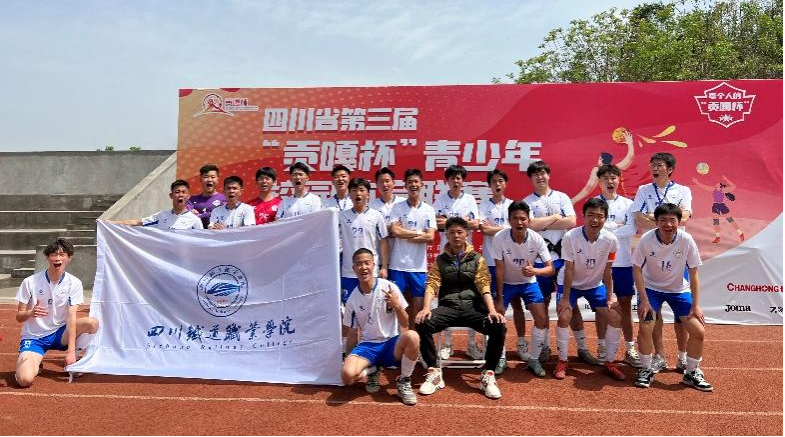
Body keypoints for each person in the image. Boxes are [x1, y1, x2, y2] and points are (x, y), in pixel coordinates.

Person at [415, 217, 506, 400]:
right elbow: (432, 284)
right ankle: (434, 372)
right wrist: (426, 308)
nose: (456, 236)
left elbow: (484, 285)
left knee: (498, 326)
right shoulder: (440, 260)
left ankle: (488, 375)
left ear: (467, 234)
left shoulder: (477, 259)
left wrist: (492, 311)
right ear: (446, 235)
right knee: (422, 322)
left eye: (459, 232)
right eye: (451, 232)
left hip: (472, 308)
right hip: (448, 308)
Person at [632, 203, 713, 392]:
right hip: (651, 290)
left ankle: (691, 373)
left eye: (672, 220)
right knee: (646, 326)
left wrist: (696, 305)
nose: (668, 224)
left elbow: (694, 272)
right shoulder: (646, 240)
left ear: (678, 222)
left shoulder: (686, 239)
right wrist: (644, 300)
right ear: (656, 222)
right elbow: (636, 269)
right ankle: (645, 369)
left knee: (698, 331)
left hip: (678, 291)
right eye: (663, 220)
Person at [523, 160, 589, 364]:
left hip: (563, 259)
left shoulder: (562, 197)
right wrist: (555, 217)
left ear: (548, 175)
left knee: (570, 304)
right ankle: (544, 346)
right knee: (541, 305)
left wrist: (543, 223)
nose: (540, 177)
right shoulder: (527, 202)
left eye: (542, 173)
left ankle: (583, 348)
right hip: (540, 260)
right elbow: (531, 225)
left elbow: (571, 221)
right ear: (531, 178)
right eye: (535, 174)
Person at [631, 152, 692, 374]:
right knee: (653, 315)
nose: (654, 169)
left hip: (676, 255)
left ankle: (683, 357)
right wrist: (662, 221)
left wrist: (653, 218)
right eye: (652, 165)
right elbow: (638, 218)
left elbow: (684, 218)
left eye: (659, 165)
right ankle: (659, 356)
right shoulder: (643, 190)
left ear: (670, 169)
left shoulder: (683, 191)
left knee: (682, 317)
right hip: (652, 253)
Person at [554, 198, 626, 381]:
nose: (595, 220)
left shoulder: (611, 240)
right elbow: (569, 269)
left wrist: (610, 296)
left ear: (605, 218)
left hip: (594, 285)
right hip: (570, 284)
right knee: (564, 316)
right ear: (583, 216)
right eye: (590, 215)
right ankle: (562, 360)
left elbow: (608, 271)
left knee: (615, 317)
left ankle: (609, 362)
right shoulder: (570, 237)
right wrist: (565, 298)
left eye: (599, 216)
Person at [14, 238, 99, 387]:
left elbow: (72, 317)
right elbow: (19, 317)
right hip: (35, 337)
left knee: (91, 323)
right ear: (47, 257)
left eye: (62, 254)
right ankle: (34, 362)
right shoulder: (30, 282)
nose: (57, 258)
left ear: (69, 258)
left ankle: (77, 357)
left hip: (60, 334)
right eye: (53, 254)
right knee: (24, 380)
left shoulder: (74, 283)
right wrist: (30, 313)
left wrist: (70, 352)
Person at [342, 249, 420, 406]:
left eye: (367, 263)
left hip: (390, 344)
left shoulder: (389, 287)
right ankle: (372, 369)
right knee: (347, 376)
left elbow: (405, 323)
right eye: (359, 264)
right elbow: (352, 334)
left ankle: (404, 381)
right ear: (354, 268)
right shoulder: (352, 299)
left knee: (412, 336)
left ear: (373, 265)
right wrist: (349, 359)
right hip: (367, 346)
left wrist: (397, 306)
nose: (363, 267)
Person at [490, 201, 552, 378]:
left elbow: (550, 269)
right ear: (509, 220)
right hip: (506, 283)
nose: (519, 222)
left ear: (529, 220)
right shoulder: (499, 238)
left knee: (541, 317)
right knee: (498, 317)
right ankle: (500, 357)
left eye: (523, 219)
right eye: (515, 218)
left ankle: (534, 359)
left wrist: (535, 271)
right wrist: (499, 298)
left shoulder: (536, 238)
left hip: (528, 282)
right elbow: (499, 269)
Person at [433, 164, 481, 360]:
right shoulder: (440, 199)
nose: (456, 181)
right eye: (452, 178)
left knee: (471, 297)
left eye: (459, 178)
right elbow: (436, 224)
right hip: (446, 255)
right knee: (446, 296)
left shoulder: (469, 199)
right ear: (447, 181)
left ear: (463, 181)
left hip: (467, 255)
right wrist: (462, 221)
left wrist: (450, 221)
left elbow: (475, 224)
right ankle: (447, 344)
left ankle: (471, 343)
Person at [595, 165, 641, 367]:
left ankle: (630, 348)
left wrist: (607, 228)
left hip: (623, 263)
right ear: (599, 182)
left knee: (625, 305)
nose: (610, 181)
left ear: (619, 180)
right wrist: (617, 226)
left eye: (613, 177)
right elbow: (593, 228)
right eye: (605, 178)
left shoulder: (628, 204)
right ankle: (601, 346)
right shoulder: (594, 203)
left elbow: (631, 229)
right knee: (601, 306)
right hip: (599, 262)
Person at [389, 169, 436, 329]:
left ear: (422, 184)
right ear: (405, 185)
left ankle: (416, 340)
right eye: (410, 182)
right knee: (395, 307)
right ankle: (396, 340)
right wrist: (418, 233)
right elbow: (395, 231)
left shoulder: (428, 210)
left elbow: (430, 237)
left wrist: (405, 233)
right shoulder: (397, 207)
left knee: (418, 309)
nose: (413, 185)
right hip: (398, 266)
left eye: (416, 182)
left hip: (418, 268)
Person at [478, 169, 514, 374]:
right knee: (493, 307)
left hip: (510, 262)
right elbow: (484, 229)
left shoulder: (512, 205)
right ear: (489, 185)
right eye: (494, 182)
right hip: (490, 262)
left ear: (505, 184)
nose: (497, 184)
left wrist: (496, 229)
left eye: (501, 181)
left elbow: (517, 228)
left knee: (513, 305)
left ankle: (519, 345)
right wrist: (507, 229)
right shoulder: (484, 205)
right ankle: (497, 353)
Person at [339, 178, 390, 304]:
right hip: (349, 271)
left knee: (371, 306)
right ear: (349, 194)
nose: (358, 193)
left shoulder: (376, 216)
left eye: (362, 190)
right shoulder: (342, 216)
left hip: (370, 270)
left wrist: (384, 267)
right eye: (354, 190)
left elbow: (383, 242)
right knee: (349, 307)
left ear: (368, 194)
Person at [107, 180, 204, 230]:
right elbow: (137, 222)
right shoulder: (161, 216)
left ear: (188, 196)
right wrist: (111, 223)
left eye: (183, 192)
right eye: (177, 192)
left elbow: (201, 242)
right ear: (171, 195)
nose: (180, 195)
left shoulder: (195, 220)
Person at [691, 175, 744, 244]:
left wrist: (726, 179)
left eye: (718, 184)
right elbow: (704, 187)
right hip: (715, 206)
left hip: (722, 206)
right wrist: (696, 182)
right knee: (716, 221)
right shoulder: (713, 190)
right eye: (716, 184)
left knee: (730, 220)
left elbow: (734, 186)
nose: (716, 184)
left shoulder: (724, 190)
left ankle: (740, 233)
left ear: (721, 186)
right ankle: (718, 237)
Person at [188, 164, 226, 228]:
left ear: (217, 179)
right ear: (201, 179)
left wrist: (199, 215)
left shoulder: (224, 199)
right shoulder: (191, 200)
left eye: (213, 177)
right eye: (206, 177)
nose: (209, 180)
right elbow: (185, 215)